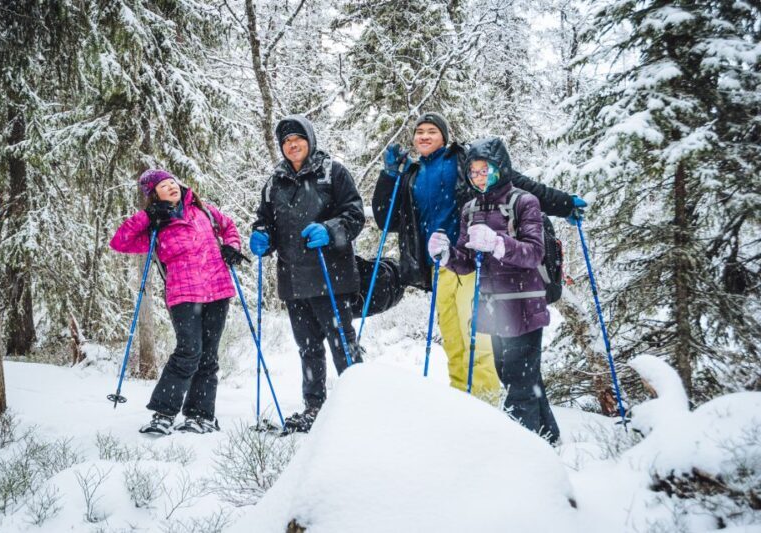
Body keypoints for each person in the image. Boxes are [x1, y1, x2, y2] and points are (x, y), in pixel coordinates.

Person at [372, 112, 586, 401]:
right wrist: (389, 177)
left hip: (473, 262)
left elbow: (516, 183)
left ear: (445, 137)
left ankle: (486, 407)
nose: (424, 136)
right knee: (453, 341)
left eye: (432, 131)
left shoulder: (462, 162)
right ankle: (463, 404)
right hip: (440, 266)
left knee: (479, 341)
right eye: (419, 131)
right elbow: (386, 220)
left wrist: (563, 204)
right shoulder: (411, 175)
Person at [432, 137, 561, 444]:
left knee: (520, 382)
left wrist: (498, 243)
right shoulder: (470, 209)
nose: (478, 177)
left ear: (499, 168)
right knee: (511, 375)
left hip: (524, 303)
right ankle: (549, 437)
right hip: (491, 305)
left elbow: (534, 253)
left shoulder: (524, 201)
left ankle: (524, 450)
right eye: (473, 172)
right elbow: (468, 262)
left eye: (484, 170)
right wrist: (448, 254)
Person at [250, 115, 365, 433]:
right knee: (308, 347)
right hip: (293, 279)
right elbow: (266, 220)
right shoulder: (275, 181)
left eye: (297, 138)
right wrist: (262, 235)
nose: (292, 145)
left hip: (331, 276)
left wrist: (331, 229)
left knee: (342, 343)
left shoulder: (333, 172)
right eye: (286, 141)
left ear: (310, 140)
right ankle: (315, 408)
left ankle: (359, 406)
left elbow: (355, 214)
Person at [110, 169, 243, 435]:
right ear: (153, 194)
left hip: (218, 291)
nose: (171, 187)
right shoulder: (156, 225)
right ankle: (164, 413)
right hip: (183, 294)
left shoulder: (203, 210)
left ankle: (200, 415)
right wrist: (147, 216)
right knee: (188, 350)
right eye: (163, 185)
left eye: (172, 182)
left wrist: (232, 246)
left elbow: (229, 227)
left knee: (208, 356)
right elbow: (120, 242)